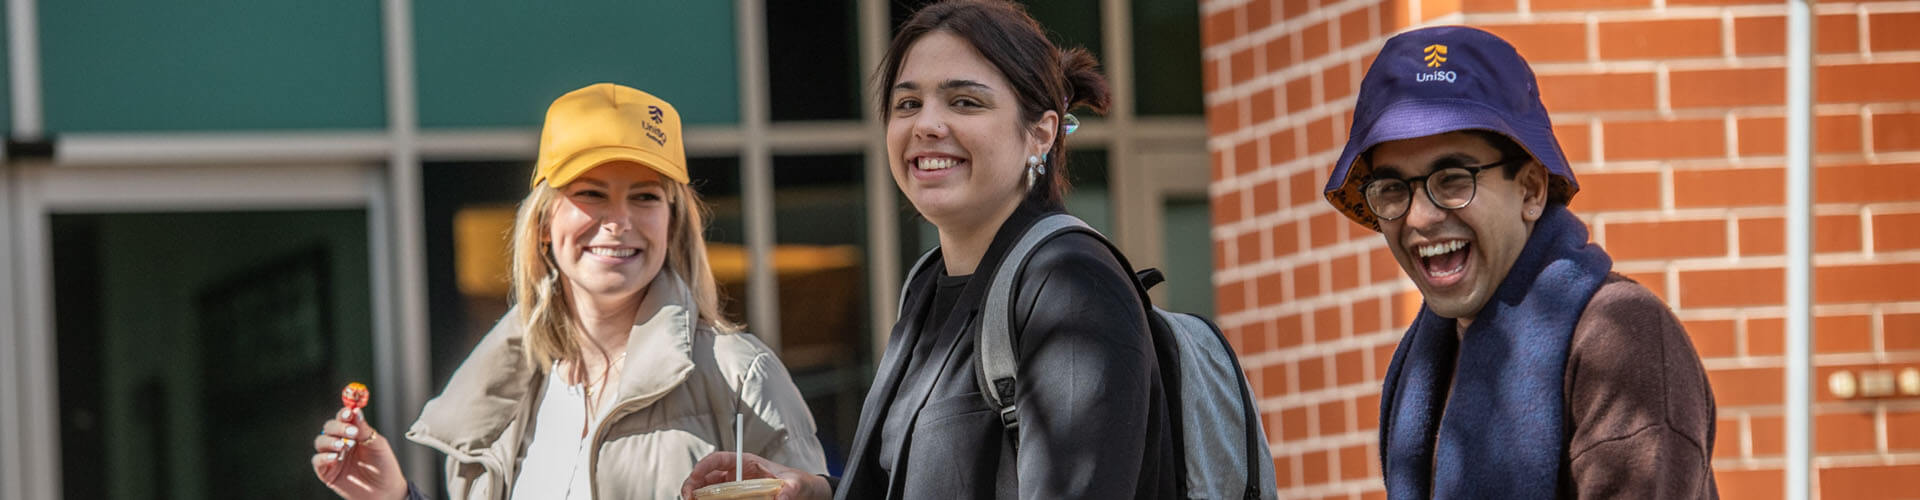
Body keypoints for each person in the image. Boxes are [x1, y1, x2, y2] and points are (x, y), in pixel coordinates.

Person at [680, 1, 1177, 498]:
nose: (927, 125)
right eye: (908, 104)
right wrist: (814, 491)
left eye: (964, 102)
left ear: (1041, 134)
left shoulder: (1071, 285)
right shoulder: (928, 284)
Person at [309, 83, 828, 499]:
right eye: (591, 194)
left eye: (645, 196)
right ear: (543, 224)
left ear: (672, 224)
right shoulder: (508, 387)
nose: (619, 222)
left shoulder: (740, 374)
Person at [1322, 26, 1718, 498]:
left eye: (1452, 179)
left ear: (1530, 189)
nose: (1420, 217)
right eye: (1392, 189)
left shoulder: (1620, 337)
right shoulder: (1427, 357)